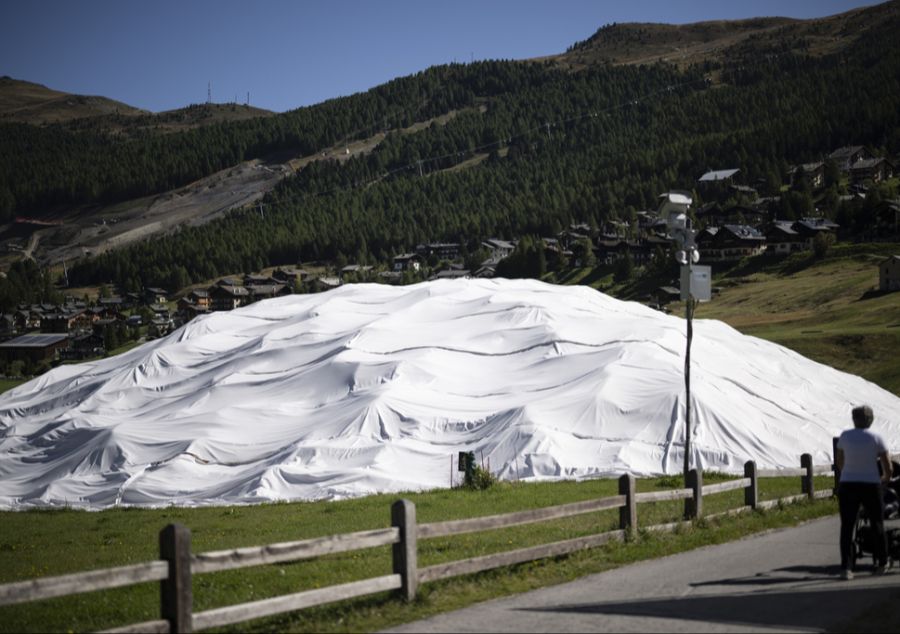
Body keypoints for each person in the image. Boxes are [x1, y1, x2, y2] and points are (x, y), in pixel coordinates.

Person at [835, 404, 893, 580]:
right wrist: (885, 478)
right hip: (870, 484)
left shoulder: (845, 436)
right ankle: (882, 563)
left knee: (847, 526)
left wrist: (849, 472)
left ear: (854, 420)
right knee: (877, 523)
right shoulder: (876, 437)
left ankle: (846, 567)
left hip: (848, 484)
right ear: (870, 420)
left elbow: (839, 461)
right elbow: (887, 465)